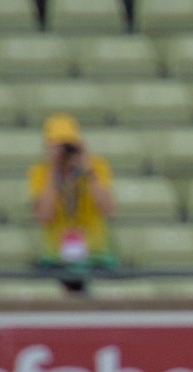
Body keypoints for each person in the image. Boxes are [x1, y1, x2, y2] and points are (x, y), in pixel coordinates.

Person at [28, 112, 117, 293]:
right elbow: (44, 215)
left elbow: (108, 209)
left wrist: (88, 170)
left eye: (68, 145)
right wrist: (54, 170)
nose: (65, 152)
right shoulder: (40, 172)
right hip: (55, 258)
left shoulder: (96, 167)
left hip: (95, 255)